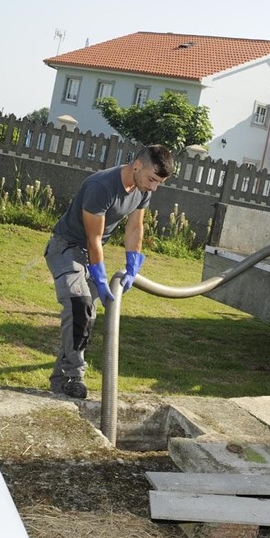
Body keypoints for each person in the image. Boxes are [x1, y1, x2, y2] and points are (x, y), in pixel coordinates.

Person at [43, 145, 174, 399]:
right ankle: (75, 375)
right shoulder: (100, 186)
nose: (154, 187)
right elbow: (93, 239)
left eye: (160, 183)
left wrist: (133, 263)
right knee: (78, 303)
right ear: (137, 165)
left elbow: (135, 227)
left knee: (84, 318)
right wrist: (101, 280)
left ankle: (60, 382)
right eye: (152, 179)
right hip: (66, 248)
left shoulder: (142, 189)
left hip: (90, 251)